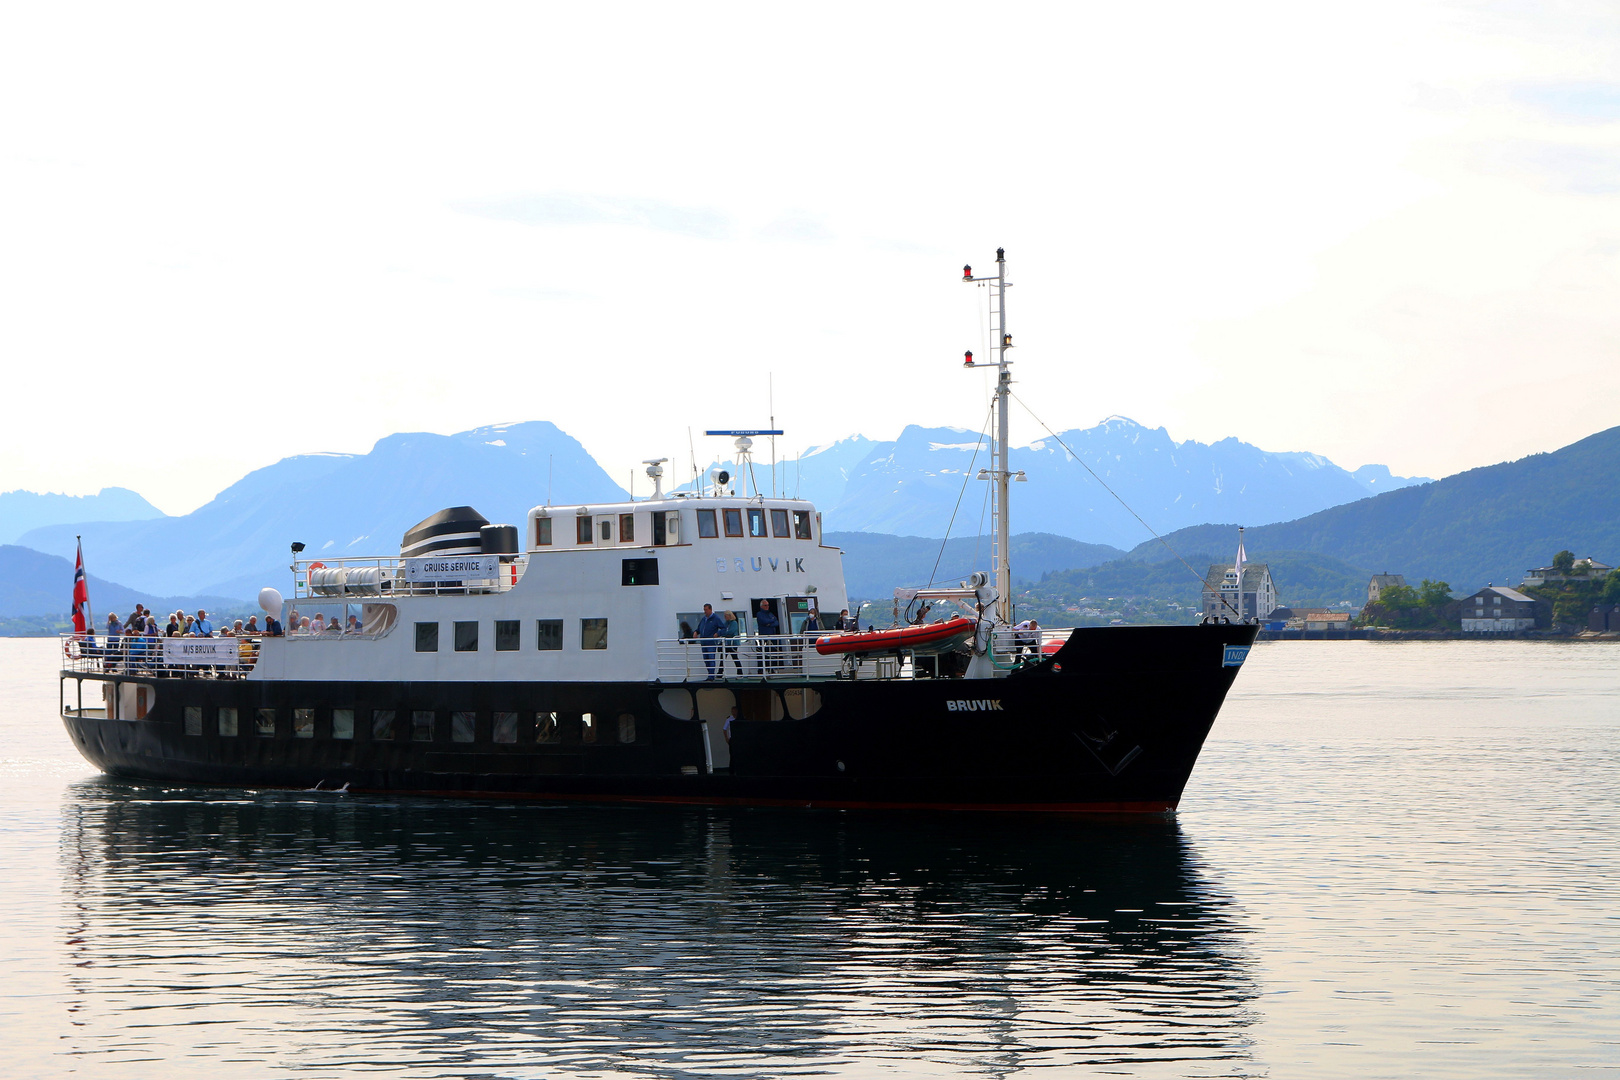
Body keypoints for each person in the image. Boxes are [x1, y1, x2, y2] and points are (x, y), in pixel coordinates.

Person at [695, 603, 725, 680]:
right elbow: (699, 628)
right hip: (704, 642)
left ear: (710, 609)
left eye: (706, 610)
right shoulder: (704, 619)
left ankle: (711, 676)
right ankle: (710, 674)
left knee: (711, 658)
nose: (705, 612)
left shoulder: (716, 618)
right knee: (706, 659)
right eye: (704, 610)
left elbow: (723, 628)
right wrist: (696, 632)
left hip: (711, 642)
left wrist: (718, 633)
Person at [755, 599, 780, 674]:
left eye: (768, 605)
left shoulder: (770, 614)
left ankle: (771, 669)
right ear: (761, 606)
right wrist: (771, 621)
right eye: (765, 605)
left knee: (772, 653)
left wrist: (769, 624)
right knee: (763, 653)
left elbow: (777, 623)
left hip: (772, 637)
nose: (767, 607)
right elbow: (763, 621)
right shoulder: (759, 614)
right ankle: (761, 670)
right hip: (764, 637)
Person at [720, 611, 741, 677]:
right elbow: (723, 629)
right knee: (722, 658)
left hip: (733, 643)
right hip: (727, 643)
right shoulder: (726, 623)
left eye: (726, 615)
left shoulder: (734, 623)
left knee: (734, 658)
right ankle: (719, 673)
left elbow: (731, 631)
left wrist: (722, 634)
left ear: (730, 616)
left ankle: (740, 673)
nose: (725, 617)